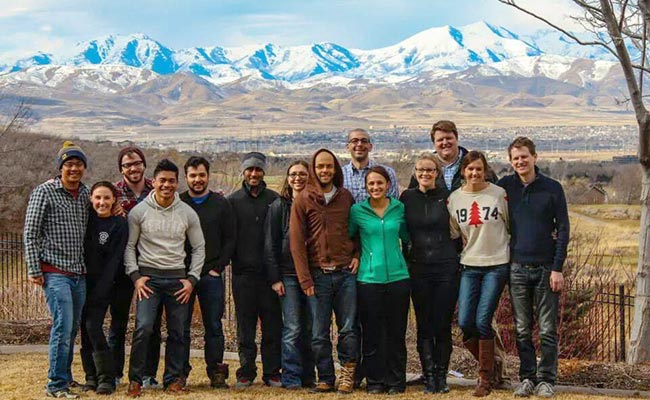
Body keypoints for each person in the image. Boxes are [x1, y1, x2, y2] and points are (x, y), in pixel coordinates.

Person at [408, 120, 508, 386]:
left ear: (456, 138)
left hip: (475, 258)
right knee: (457, 320)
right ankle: (433, 371)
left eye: (449, 138)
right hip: (451, 259)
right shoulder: (426, 170)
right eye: (440, 139)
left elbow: (496, 210)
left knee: (485, 320)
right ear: (434, 142)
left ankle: (494, 372)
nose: (445, 143)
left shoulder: (475, 166)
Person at [124, 159, 205, 397]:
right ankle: (135, 380)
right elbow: (130, 246)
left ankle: (173, 380)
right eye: (162, 180)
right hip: (148, 279)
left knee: (178, 332)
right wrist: (136, 276)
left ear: (177, 183)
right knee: (144, 328)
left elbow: (199, 247)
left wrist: (192, 279)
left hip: (178, 280)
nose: (167, 185)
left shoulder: (187, 213)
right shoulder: (139, 212)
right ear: (154, 182)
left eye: (171, 181)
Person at [498, 137, 569, 398]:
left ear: (534, 157)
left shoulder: (552, 188)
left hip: (545, 268)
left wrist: (557, 267)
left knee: (548, 329)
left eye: (524, 156)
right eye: (515, 158)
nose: (520, 161)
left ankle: (547, 379)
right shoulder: (505, 187)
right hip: (516, 267)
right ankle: (527, 378)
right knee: (522, 328)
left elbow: (563, 229)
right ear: (511, 161)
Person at [289, 148, 359, 394]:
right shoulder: (303, 199)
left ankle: (348, 374)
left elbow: (356, 230)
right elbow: (296, 243)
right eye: (320, 167)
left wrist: (357, 256)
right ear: (313, 170)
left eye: (329, 166)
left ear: (335, 169)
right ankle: (326, 377)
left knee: (348, 329)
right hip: (317, 276)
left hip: (345, 274)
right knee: (318, 332)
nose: (325, 171)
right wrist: (304, 277)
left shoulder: (345, 197)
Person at [24, 141, 90, 399]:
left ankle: (66, 376)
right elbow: (30, 233)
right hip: (54, 271)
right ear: (60, 167)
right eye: (69, 164)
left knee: (72, 327)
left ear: (84, 167)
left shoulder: (85, 193)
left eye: (78, 164)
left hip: (79, 272)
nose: (73, 169)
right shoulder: (45, 192)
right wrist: (34, 268)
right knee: (62, 326)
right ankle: (55, 384)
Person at [447, 150, 510, 397]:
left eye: (479, 169)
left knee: (483, 320)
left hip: (497, 264)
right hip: (470, 265)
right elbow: (455, 234)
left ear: (485, 171)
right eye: (470, 169)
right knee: (465, 322)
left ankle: (485, 378)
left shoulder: (499, 195)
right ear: (463, 171)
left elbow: (510, 227)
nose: (474, 173)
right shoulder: (455, 200)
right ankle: (492, 367)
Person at [399, 153, 460, 394]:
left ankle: (442, 376)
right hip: (418, 268)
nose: (425, 174)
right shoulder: (407, 198)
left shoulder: (448, 198)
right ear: (415, 172)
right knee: (424, 326)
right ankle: (429, 375)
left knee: (442, 325)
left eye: (430, 170)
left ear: (437, 173)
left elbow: (459, 231)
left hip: (446, 268)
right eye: (421, 170)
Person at [349, 166, 410, 394]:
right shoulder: (357, 211)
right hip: (368, 279)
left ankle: (396, 381)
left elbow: (406, 236)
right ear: (366, 187)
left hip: (398, 278)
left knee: (396, 333)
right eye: (371, 184)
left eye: (380, 183)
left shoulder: (399, 208)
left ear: (388, 185)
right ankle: (375, 381)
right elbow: (351, 237)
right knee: (372, 334)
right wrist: (355, 256)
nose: (375, 187)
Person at [227, 152, 282, 388]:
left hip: (270, 275)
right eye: (249, 169)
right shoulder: (233, 201)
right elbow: (228, 237)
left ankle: (272, 371)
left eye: (258, 169)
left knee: (272, 325)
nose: (253, 174)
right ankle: (246, 371)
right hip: (243, 274)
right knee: (245, 326)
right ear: (243, 171)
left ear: (263, 172)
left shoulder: (274, 199)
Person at [180, 156, 236, 388]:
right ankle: (179, 373)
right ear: (186, 178)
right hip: (182, 276)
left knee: (213, 326)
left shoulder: (221, 203)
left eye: (201, 175)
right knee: (180, 326)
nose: (198, 179)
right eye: (193, 175)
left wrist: (218, 267)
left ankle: (216, 371)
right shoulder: (178, 202)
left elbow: (230, 238)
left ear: (208, 175)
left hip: (211, 275)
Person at [111, 146, 161, 389]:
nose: (133, 168)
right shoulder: (113, 192)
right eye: (127, 165)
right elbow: (92, 200)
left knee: (149, 324)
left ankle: (148, 374)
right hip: (121, 265)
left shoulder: (157, 188)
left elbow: (181, 201)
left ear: (144, 164)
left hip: (152, 263)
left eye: (137, 163)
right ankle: (114, 372)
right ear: (121, 169)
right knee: (118, 322)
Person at [263, 160, 316, 389]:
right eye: (293, 174)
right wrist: (275, 278)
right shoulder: (278, 206)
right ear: (287, 178)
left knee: (313, 327)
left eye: (302, 174)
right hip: (288, 275)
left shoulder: (316, 203)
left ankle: (309, 375)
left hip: (314, 274)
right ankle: (291, 376)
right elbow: (270, 244)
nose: (297, 178)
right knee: (292, 327)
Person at [79, 182, 128, 395]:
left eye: (107, 198)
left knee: (111, 328)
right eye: (98, 197)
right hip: (87, 282)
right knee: (87, 327)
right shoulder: (86, 220)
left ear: (114, 200)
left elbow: (115, 260)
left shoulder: (120, 223)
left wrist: (102, 289)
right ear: (91, 199)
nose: (102, 202)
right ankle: (91, 376)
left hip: (115, 284)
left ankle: (109, 376)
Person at [342, 128, 399, 203]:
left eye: (364, 141)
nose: (359, 144)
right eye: (354, 141)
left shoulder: (387, 173)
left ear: (370, 147)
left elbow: (393, 205)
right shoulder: (340, 174)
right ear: (347, 147)